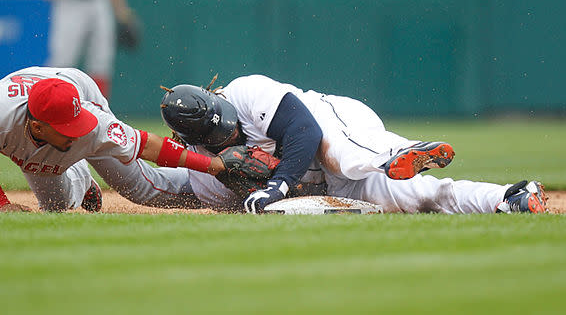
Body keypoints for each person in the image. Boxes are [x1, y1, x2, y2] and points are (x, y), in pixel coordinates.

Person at [159, 74, 548, 214]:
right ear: (199, 143)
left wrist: (276, 185)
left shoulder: (246, 92)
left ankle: (401, 151)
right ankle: (509, 198)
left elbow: (305, 132)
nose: (231, 131)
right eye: (221, 136)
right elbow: (245, 206)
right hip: (332, 186)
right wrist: (248, 186)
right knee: (426, 198)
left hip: (332, 123)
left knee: (344, 156)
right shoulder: (209, 174)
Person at [0, 67, 229, 212]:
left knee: (140, 189)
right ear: (38, 128)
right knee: (56, 206)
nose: (77, 131)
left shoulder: (93, 121)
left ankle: (221, 190)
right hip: (39, 110)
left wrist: (213, 166)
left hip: (73, 88)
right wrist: (2, 206)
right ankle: (82, 179)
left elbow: (147, 145)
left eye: (77, 124)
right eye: (67, 128)